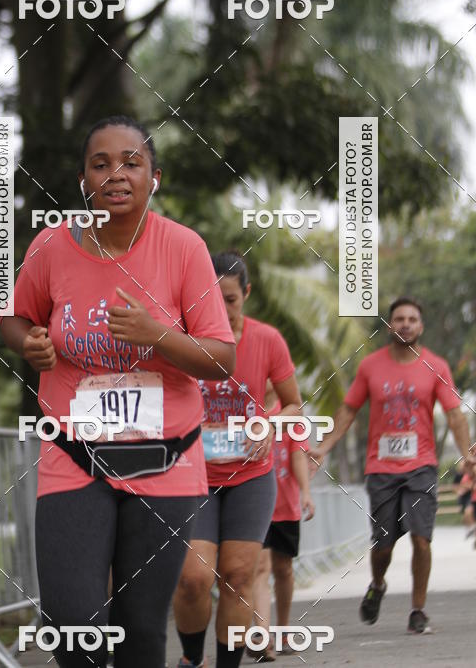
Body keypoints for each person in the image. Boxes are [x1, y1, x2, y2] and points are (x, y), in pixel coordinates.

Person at [0, 116, 236, 668]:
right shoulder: (52, 245)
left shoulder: (182, 248)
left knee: (138, 635)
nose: (116, 174)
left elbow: (220, 359)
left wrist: (159, 335)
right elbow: (14, 319)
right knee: (75, 629)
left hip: (163, 459)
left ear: (155, 176)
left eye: (132, 162)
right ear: (83, 178)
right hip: (73, 453)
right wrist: (31, 342)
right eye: (100, 164)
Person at [309, 296, 475, 635]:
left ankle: (418, 610)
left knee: (421, 539)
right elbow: (349, 409)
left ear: (421, 326)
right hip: (381, 468)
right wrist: (324, 446)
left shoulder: (436, 366)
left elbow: (455, 414)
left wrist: (465, 452)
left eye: (412, 319)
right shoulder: (370, 366)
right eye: (399, 319)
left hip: (422, 466)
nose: (405, 324)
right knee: (382, 545)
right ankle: (378, 583)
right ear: (390, 326)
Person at [173, 252, 303, 668]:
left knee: (239, 576)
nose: (222, 308)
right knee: (193, 579)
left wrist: (268, 425)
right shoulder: (182, 339)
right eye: (212, 299)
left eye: (230, 299)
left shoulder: (267, 340)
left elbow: (295, 405)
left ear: (245, 294)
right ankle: (193, 659)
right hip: (193, 475)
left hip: (251, 476)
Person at [250, 414, 315, 660]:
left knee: (283, 569)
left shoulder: (291, 415)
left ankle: (284, 631)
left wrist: (306, 492)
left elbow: (299, 455)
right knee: (260, 568)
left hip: (286, 504)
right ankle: (262, 635)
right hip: (255, 505)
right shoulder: (247, 409)